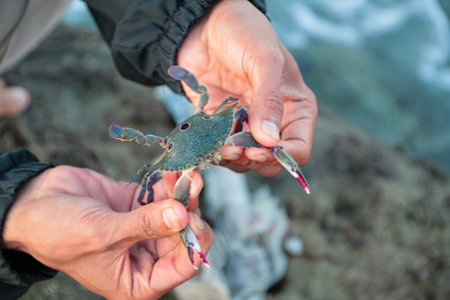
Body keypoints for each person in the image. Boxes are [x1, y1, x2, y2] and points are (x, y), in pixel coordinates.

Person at [0, 0, 317, 299]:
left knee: (263, 141)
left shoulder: (221, 118)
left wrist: (198, 17)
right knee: (173, 207)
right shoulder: (173, 165)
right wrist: (14, 221)